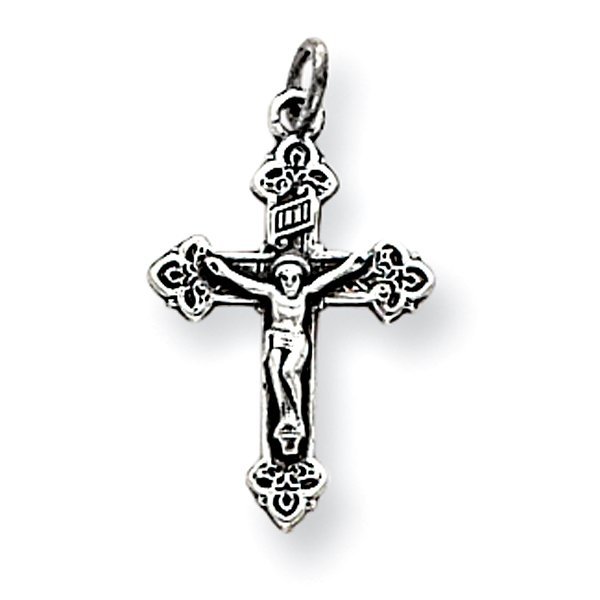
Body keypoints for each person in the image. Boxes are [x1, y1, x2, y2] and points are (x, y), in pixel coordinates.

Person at [205, 252, 366, 453]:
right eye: (284, 278)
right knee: (273, 367)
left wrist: (349, 267)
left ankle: (297, 417)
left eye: (294, 278)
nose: (289, 283)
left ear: (300, 279)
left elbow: (328, 279)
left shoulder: (305, 294)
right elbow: (247, 285)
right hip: (277, 337)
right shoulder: (273, 294)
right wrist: (223, 272)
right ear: (278, 279)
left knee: (288, 371)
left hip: (296, 338)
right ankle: (284, 416)